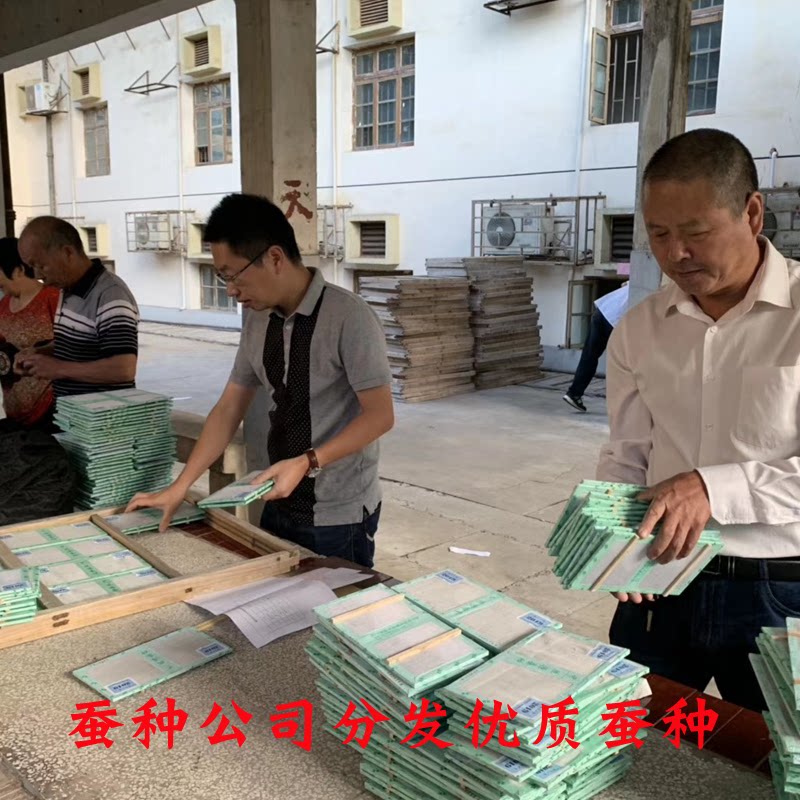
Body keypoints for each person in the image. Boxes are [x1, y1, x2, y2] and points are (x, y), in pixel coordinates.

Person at [596, 127, 800, 712]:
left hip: (779, 590)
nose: (675, 253)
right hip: (661, 578)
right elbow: (627, 452)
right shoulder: (640, 328)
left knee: (767, 754)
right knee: (630, 735)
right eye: (659, 234)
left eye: (695, 232)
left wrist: (712, 488)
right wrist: (611, 538)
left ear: (752, 213)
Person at [127, 193, 394, 568]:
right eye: (222, 277)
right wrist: (180, 486)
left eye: (233, 275)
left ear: (275, 258)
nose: (230, 290)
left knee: (335, 599)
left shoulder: (349, 317)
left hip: (338, 513)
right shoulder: (258, 318)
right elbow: (229, 407)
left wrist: (306, 462)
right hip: (273, 496)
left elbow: (380, 416)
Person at [14, 217, 138, 396]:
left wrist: (59, 368)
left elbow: (123, 369)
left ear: (67, 252)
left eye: (41, 265)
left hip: (102, 412)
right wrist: (40, 354)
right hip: (72, 410)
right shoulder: (68, 288)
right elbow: (83, 344)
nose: (38, 275)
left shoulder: (111, 295)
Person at [0, 237, 60, 431]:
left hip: (51, 410)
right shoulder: (2, 306)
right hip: (14, 412)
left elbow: (72, 344)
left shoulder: (53, 298)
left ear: (18, 270)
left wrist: (40, 351)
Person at [563, 283, 629, 413]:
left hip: (602, 311)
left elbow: (624, 284)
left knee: (589, 356)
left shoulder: (640, 279)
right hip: (614, 320)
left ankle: (574, 393)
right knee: (625, 363)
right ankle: (622, 403)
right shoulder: (656, 287)